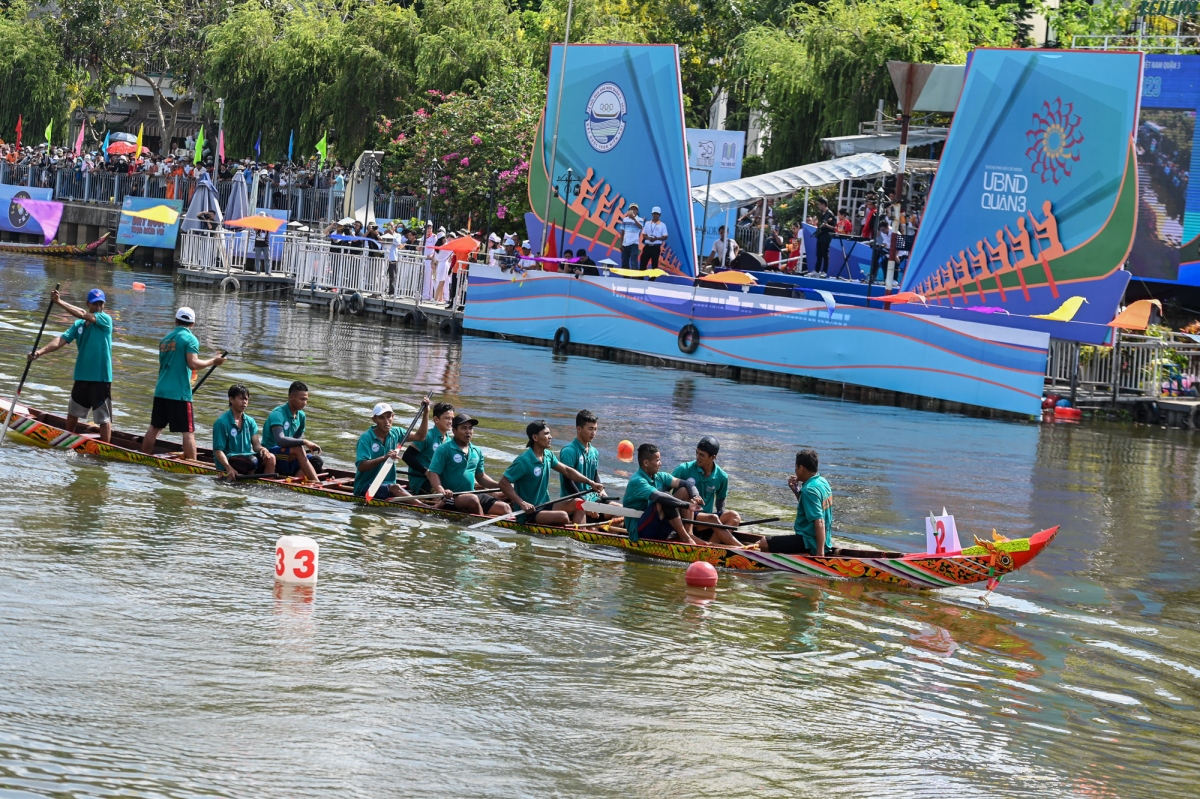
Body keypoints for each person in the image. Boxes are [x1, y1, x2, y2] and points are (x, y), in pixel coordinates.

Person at [26, 288, 114, 442]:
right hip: (82, 375)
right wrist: (40, 352)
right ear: (88, 304)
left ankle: (106, 447)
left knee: (103, 417)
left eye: (101, 304)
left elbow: (81, 313)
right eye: (95, 304)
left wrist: (59, 302)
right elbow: (61, 340)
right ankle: (67, 440)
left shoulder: (105, 320)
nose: (98, 307)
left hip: (101, 377)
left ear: (104, 305)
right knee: (73, 413)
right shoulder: (79, 325)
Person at [141, 307, 226, 460]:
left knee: (155, 427)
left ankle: (143, 456)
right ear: (192, 324)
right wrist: (213, 361)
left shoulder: (165, 339)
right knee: (188, 431)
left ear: (176, 320)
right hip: (179, 393)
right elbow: (193, 363)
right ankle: (193, 467)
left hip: (161, 390)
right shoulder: (190, 339)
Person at [499, 420, 603, 525]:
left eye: (549, 433)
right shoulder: (523, 461)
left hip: (545, 505)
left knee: (580, 504)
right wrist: (522, 503)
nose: (550, 437)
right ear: (535, 438)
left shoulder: (548, 455)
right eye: (546, 434)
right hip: (529, 512)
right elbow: (503, 482)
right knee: (563, 517)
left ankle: (581, 537)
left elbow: (567, 471)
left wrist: (590, 482)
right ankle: (572, 537)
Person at [427, 412, 511, 516]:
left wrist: (500, 485)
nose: (468, 432)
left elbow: (480, 476)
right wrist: (442, 490)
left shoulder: (477, 451)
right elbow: (433, 473)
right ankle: (483, 529)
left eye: (470, 428)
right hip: (451, 497)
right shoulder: (443, 449)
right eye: (464, 428)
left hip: (471, 493)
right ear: (454, 431)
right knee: (473, 499)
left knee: (504, 508)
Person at [622, 443, 707, 545]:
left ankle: (689, 534)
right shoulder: (638, 480)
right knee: (664, 499)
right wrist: (687, 505)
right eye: (657, 460)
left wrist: (695, 496)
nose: (660, 463)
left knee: (684, 490)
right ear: (646, 463)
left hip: (655, 523)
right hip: (639, 531)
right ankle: (686, 539)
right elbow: (658, 496)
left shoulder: (660, 476)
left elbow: (687, 484)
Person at [758, 449, 834, 556]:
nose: (795, 471)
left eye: (796, 467)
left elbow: (819, 521)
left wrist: (820, 554)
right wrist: (796, 491)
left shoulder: (809, 490)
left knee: (763, 543)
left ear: (801, 468)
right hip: (824, 540)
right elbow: (809, 506)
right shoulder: (822, 482)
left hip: (809, 542)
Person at [671, 436, 744, 546]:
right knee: (713, 518)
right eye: (697, 453)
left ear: (713, 457)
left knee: (734, 517)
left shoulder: (722, 476)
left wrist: (722, 521)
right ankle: (742, 548)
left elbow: (721, 500)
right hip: (685, 518)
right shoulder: (683, 469)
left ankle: (710, 546)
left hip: (705, 519)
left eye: (702, 455)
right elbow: (665, 487)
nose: (697, 457)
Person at [353, 401, 428, 502]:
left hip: (388, 484)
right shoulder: (366, 438)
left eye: (389, 416)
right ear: (374, 419)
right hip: (366, 486)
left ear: (393, 416)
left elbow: (420, 437)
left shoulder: (396, 432)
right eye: (381, 417)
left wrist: (426, 413)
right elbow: (361, 466)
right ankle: (425, 509)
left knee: (394, 487)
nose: (386, 421)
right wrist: (384, 458)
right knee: (395, 487)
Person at [261, 380, 324, 483]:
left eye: (306, 399)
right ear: (291, 397)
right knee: (299, 448)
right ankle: (317, 483)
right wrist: (305, 442)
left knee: (317, 461)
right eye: (301, 399)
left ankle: (295, 481)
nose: (304, 403)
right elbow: (280, 440)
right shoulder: (278, 414)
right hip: (271, 452)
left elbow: (296, 439)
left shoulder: (301, 416)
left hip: (288, 453)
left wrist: (295, 453)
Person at [212, 384, 276, 480]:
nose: (244, 402)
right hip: (230, 458)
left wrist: (262, 449)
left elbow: (256, 445)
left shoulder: (250, 421)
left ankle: (267, 485)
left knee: (271, 457)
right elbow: (218, 450)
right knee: (252, 461)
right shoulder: (221, 422)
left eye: (246, 399)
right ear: (231, 400)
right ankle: (248, 482)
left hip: (247, 458)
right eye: (241, 399)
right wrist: (229, 468)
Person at [404, 400, 454, 496]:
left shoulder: (449, 441)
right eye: (447, 418)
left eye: (452, 418)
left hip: (438, 481)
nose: (450, 421)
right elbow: (407, 456)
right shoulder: (427, 436)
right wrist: (426, 472)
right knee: (446, 500)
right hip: (420, 482)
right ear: (436, 419)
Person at [639, 206, 668, 271]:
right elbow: (644, 234)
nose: (655, 215)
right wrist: (648, 238)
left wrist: (656, 239)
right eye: (654, 213)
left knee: (654, 265)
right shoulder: (647, 223)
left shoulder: (662, 225)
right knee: (643, 262)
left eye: (657, 214)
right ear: (652, 214)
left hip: (656, 247)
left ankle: (652, 280)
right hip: (647, 246)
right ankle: (640, 279)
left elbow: (665, 236)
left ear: (660, 215)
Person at [814, 198, 835, 276]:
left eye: (819, 204)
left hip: (826, 237)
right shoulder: (822, 214)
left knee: (825, 254)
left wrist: (827, 226)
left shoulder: (830, 214)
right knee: (818, 254)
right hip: (820, 236)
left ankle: (824, 272)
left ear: (823, 204)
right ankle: (816, 271)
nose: (818, 206)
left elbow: (834, 227)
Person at [619, 203, 643, 269]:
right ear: (629, 210)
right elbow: (622, 232)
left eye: (635, 209)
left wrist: (634, 219)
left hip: (634, 244)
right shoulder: (625, 220)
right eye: (631, 209)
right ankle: (625, 278)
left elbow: (640, 227)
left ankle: (634, 278)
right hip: (625, 244)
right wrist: (621, 244)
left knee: (634, 262)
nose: (633, 210)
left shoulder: (640, 220)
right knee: (624, 262)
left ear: (637, 211)